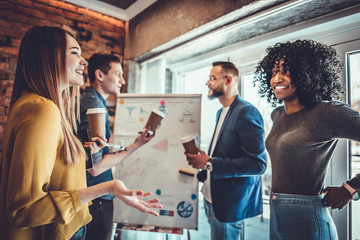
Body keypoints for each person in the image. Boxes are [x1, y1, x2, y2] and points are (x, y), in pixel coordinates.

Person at [0, 26, 162, 240]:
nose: (84, 61)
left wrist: (85, 153)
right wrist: (110, 187)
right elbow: (24, 210)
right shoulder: (43, 110)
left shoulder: (35, 105)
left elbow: (56, 169)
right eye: (74, 53)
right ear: (48, 57)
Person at [254, 39, 360, 240]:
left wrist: (351, 188)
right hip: (276, 212)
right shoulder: (277, 114)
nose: (277, 78)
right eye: (274, 71)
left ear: (307, 72)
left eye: (286, 71)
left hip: (308, 219)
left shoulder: (328, 112)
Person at [184, 61, 267, 240]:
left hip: (230, 203)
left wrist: (208, 163)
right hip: (211, 197)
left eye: (212, 78)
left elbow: (258, 164)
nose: (208, 83)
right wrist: (203, 169)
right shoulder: (221, 112)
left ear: (228, 80)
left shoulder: (247, 112)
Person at [77, 53, 155, 240]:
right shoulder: (94, 105)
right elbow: (95, 167)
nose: (123, 80)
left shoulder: (91, 100)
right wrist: (137, 145)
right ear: (100, 75)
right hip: (97, 198)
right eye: (118, 74)